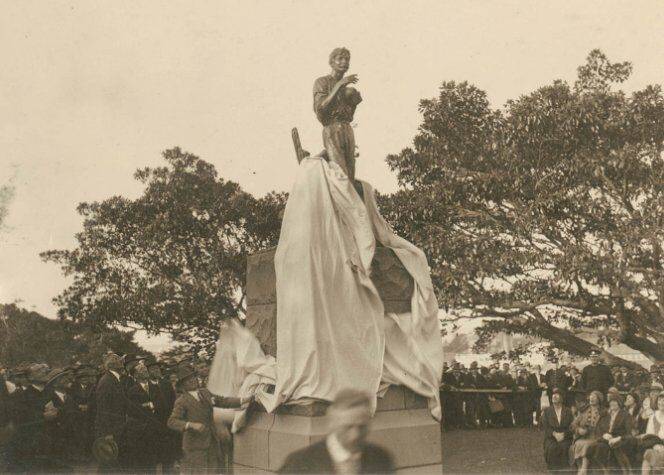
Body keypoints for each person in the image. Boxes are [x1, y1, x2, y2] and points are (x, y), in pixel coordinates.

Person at [278, 388, 395, 474]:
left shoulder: (381, 459)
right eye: (347, 427)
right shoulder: (300, 463)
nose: (355, 435)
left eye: (361, 427)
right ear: (332, 422)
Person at [167, 364, 251, 473]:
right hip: (195, 446)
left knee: (213, 470)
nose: (192, 381)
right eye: (187, 380)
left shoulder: (205, 392)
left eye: (193, 377)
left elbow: (222, 401)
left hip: (212, 441)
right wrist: (190, 425)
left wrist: (243, 400)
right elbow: (172, 421)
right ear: (182, 385)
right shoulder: (182, 401)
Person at [313, 47, 362, 184]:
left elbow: (350, 116)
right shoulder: (322, 82)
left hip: (347, 129)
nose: (344, 62)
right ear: (332, 62)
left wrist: (353, 101)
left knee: (350, 177)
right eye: (340, 58)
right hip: (332, 128)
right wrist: (340, 85)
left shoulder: (348, 89)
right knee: (341, 176)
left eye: (347, 59)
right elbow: (321, 107)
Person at [95, 353, 128, 471]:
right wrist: (107, 433)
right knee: (108, 464)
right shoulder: (107, 381)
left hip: (116, 429)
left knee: (111, 464)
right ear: (113, 365)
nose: (123, 363)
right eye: (120, 361)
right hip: (110, 431)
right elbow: (103, 409)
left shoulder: (114, 380)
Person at [593, 394, 633, 472]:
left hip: (620, 439)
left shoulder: (625, 415)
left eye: (615, 402)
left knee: (616, 447)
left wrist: (617, 438)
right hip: (606, 440)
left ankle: (626, 471)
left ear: (620, 403)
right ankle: (605, 470)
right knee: (599, 447)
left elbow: (629, 433)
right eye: (611, 402)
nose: (613, 404)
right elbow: (598, 429)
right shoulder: (606, 415)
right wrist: (604, 435)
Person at [570, 390, 605, 475]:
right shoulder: (583, 411)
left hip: (597, 437)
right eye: (591, 396)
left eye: (594, 397)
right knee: (578, 444)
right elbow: (572, 425)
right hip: (584, 437)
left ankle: (583, 470)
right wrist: (578, 430)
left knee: (586, 445)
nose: (591, 398)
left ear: (599, 400)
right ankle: (580, 468)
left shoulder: (603, 412)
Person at [542, 388, 574, 472]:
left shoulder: (568, 411)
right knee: (552, 448)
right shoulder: (547, 411)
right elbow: (545, 427)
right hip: (551, 437)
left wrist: (564, 435)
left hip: (565, 436)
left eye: (557, 394)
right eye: (553, 395)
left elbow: (572, 427)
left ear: (562, 398)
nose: (554, 396)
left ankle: (564, 471)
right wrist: (554, 434)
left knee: (564, 448)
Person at [641, 391, 664, 474]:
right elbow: (649, 435)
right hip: (655, 446)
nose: (661, 403)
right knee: (649, 453)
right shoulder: (654, 416)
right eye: (660, 400)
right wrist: (655, 444)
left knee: (656, 456)